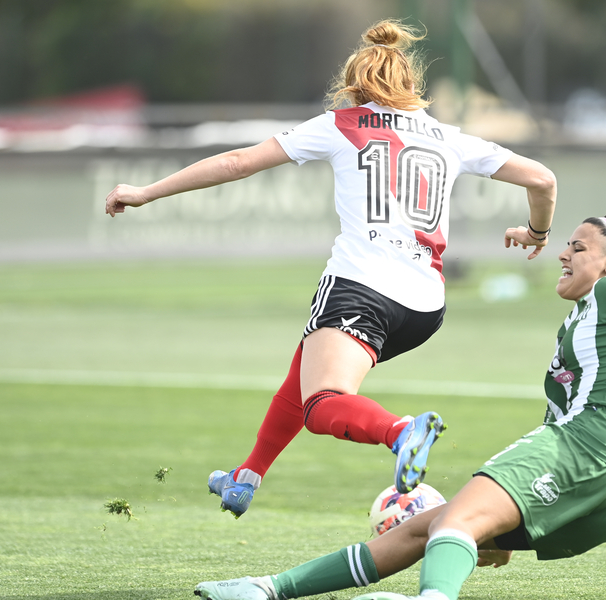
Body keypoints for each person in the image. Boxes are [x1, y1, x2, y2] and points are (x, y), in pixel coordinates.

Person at [191, 202, 606, 600]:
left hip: (592, 452)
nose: (565, 251)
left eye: (579, 244)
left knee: (452, 522)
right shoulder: (585, 319)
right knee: (427, 529)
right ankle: (269, 588)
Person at [103, 19, 557, 518]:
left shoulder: (341, 123)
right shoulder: (447, 136)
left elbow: (237, 162)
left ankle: (402, 431)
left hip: (362, 288)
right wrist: (536, 234)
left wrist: (146, 192)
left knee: (322, 404)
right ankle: (246, 477)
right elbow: (542, 178)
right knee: (306, 372)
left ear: (354, 85)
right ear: (411, 85)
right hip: (425, 306)